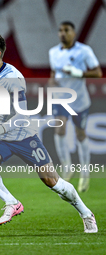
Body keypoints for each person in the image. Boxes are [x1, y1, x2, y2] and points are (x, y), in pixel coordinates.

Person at [0, 33, 97, 233]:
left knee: (53, 183)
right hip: (1, 138)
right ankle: (11, 202)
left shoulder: (13, 78)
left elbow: (21, 115)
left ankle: (86, 213)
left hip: (23, 135)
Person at [48, 21, 102, 192]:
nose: (62, 33)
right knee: (59, 129)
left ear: (74, 33)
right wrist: (51, 83)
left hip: (79, 100)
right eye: (60, 30)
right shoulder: (53, 52)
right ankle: (67, 166)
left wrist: (79, 73)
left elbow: (98, 72)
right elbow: (53, 72)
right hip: (61, 98)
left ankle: (85, 171)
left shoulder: (84, 51)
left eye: (66, 30)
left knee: (80, 134)